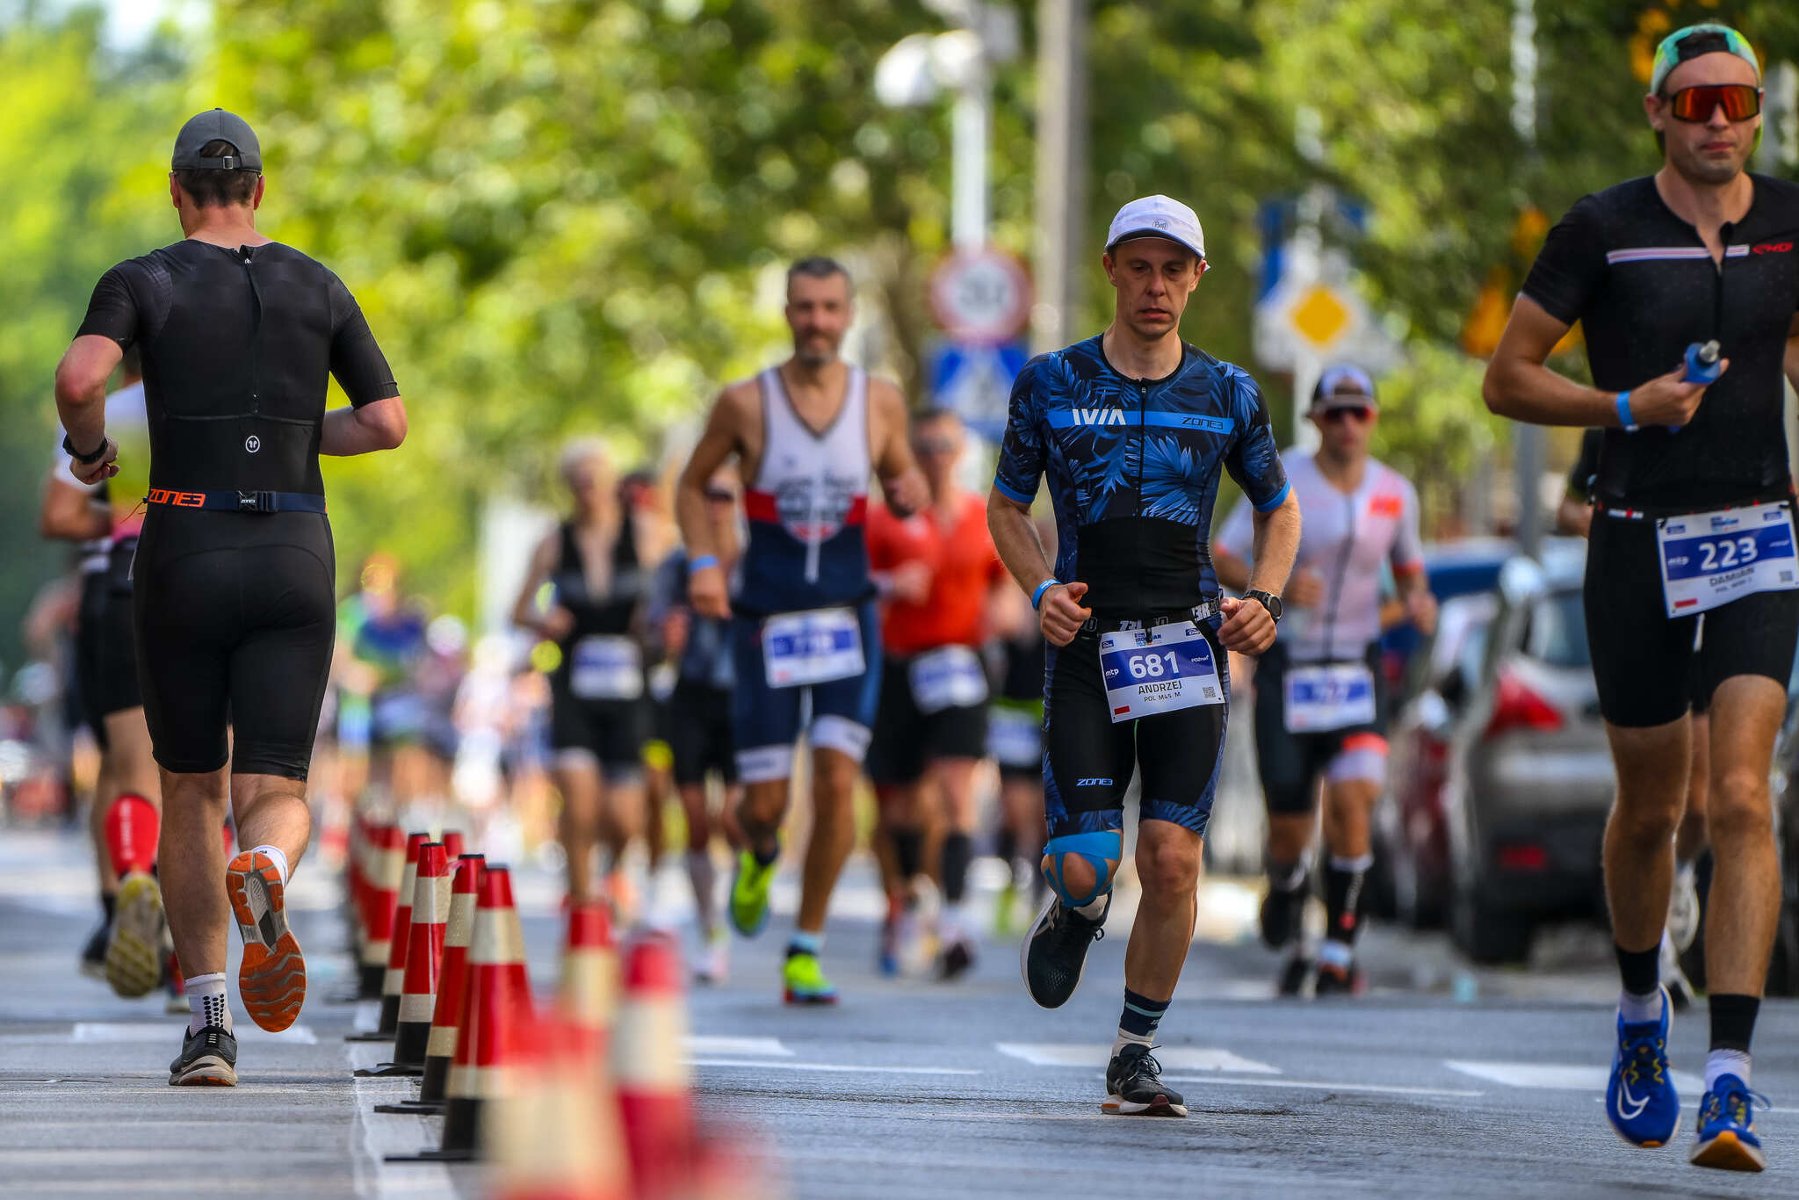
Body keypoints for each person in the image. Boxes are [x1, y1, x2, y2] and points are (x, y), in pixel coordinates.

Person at [1482, 23, 1798, 1171]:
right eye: (1694, 101)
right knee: (1652, 811)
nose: (1717, 120)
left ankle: (1727, 1083)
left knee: (1742, 798)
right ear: (1657, 114)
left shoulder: (1787, 220)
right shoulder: (1600, 229)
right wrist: (1623, 411)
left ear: (1755, 113)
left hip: (1756, 536)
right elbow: (1504, 378)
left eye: (1736, 100)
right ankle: (1633, 1014)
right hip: (1632, 541)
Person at [54, 109, 407, 1086]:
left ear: (177, 190)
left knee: (190, 787)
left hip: (183, 543)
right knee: (277, 789)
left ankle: (209, 1026)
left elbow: (80, 375)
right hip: (294, 548)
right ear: (260, 188)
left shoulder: (144, 280)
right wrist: (298, 435)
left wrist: (89, 452)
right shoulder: (317, 284)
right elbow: (385, 422)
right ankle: (272, 871)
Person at [988, 195, 1300, 1116]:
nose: (1155, 286)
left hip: (1187, 648)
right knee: (1088, 862)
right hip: (1086, 645)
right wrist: (1041, 591)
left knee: (1170, 861)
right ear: (1111, 271)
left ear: (1196, 278)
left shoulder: (1228, 391)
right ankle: (1077, 909)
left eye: (1174, 269)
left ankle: (1134, 1050)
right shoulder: (1048, 381)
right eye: (1139, 267)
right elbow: (1006, 506)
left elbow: (1278, 507)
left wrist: (1264, 602)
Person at [675, 255, 926, 1005]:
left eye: (829, 308)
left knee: (839, 779)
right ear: (787, 313)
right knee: (764, 804)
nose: (817, 321)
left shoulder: (879, 401)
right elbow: (691, 484)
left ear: (848, 316)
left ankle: (805, 947)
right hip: (766, 622)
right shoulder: (746, 403)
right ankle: (757, 852)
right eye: (804, 307)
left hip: (848, 622)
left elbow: (901, 481)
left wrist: (908, 492)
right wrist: (702, 564)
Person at [1214, 365, 1434, 997]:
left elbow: (1411, 573)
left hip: (1357, 671)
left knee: (1353, 799)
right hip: (1290, 670)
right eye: (1333, 412)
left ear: (1373, 420)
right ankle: (1284, 885)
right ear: (1313, 421)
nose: (1345, 424)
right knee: (1290, 822)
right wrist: (1270, 584)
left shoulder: (1396, 492)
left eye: (1357, 412)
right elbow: (1220, 553)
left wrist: (1419, 603)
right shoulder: (1283, 476)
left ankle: (1339, 947)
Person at [38, 348, 170, 1001]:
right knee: (204, 773)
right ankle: (184, 943)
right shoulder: (208, 409)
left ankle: (123, 894)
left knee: (124, 769)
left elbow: (57, 516)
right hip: (204, 581)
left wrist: (121, 517)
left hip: (113, 592)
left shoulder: (105, 416)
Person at [1561, 428, 1706, 1010]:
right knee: (1653, 806)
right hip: (1640, 614)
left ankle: (1685, 875)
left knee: (1702, 807)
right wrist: (1608, 526)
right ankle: (1659, 954)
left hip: (1712, 610)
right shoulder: (1612, 421)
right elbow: (1567, 505)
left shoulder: (1730, 415)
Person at [865, 407, 1009, 979]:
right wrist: (888, 585)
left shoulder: (983, 516)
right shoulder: (884, 521)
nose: (935, 456)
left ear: (961, 452)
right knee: (899, 804)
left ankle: (954, 920)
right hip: (900, 667)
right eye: (923, 446)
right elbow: (850, 583)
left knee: (956, 793)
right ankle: (908, 898)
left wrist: (1002, 610)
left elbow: (1003, 577)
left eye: (946, 445)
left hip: (960, 666)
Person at [512, 439, 653, 911]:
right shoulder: (554, 542)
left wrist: (658, 623)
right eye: (578, 482)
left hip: (630, 689)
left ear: (612, 482)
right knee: (579, 798)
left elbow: (676, 598)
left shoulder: (649, 535)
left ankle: (614, 870)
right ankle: (580, 900)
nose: (587, 489)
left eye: (594, 478)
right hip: (574, 685)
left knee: (624, 816)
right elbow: (518, 610)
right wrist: (544, 622)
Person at [646, 471, 745, 981]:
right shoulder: (675, 566)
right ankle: (711, 929)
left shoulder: (753, 564)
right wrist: (666, 636)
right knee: (693, 814)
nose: (714, 506)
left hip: (741, 700)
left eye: (724, 496)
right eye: (706, 496)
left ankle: (742, 886)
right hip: (688, 698)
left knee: (733, 816)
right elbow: (651, 628)